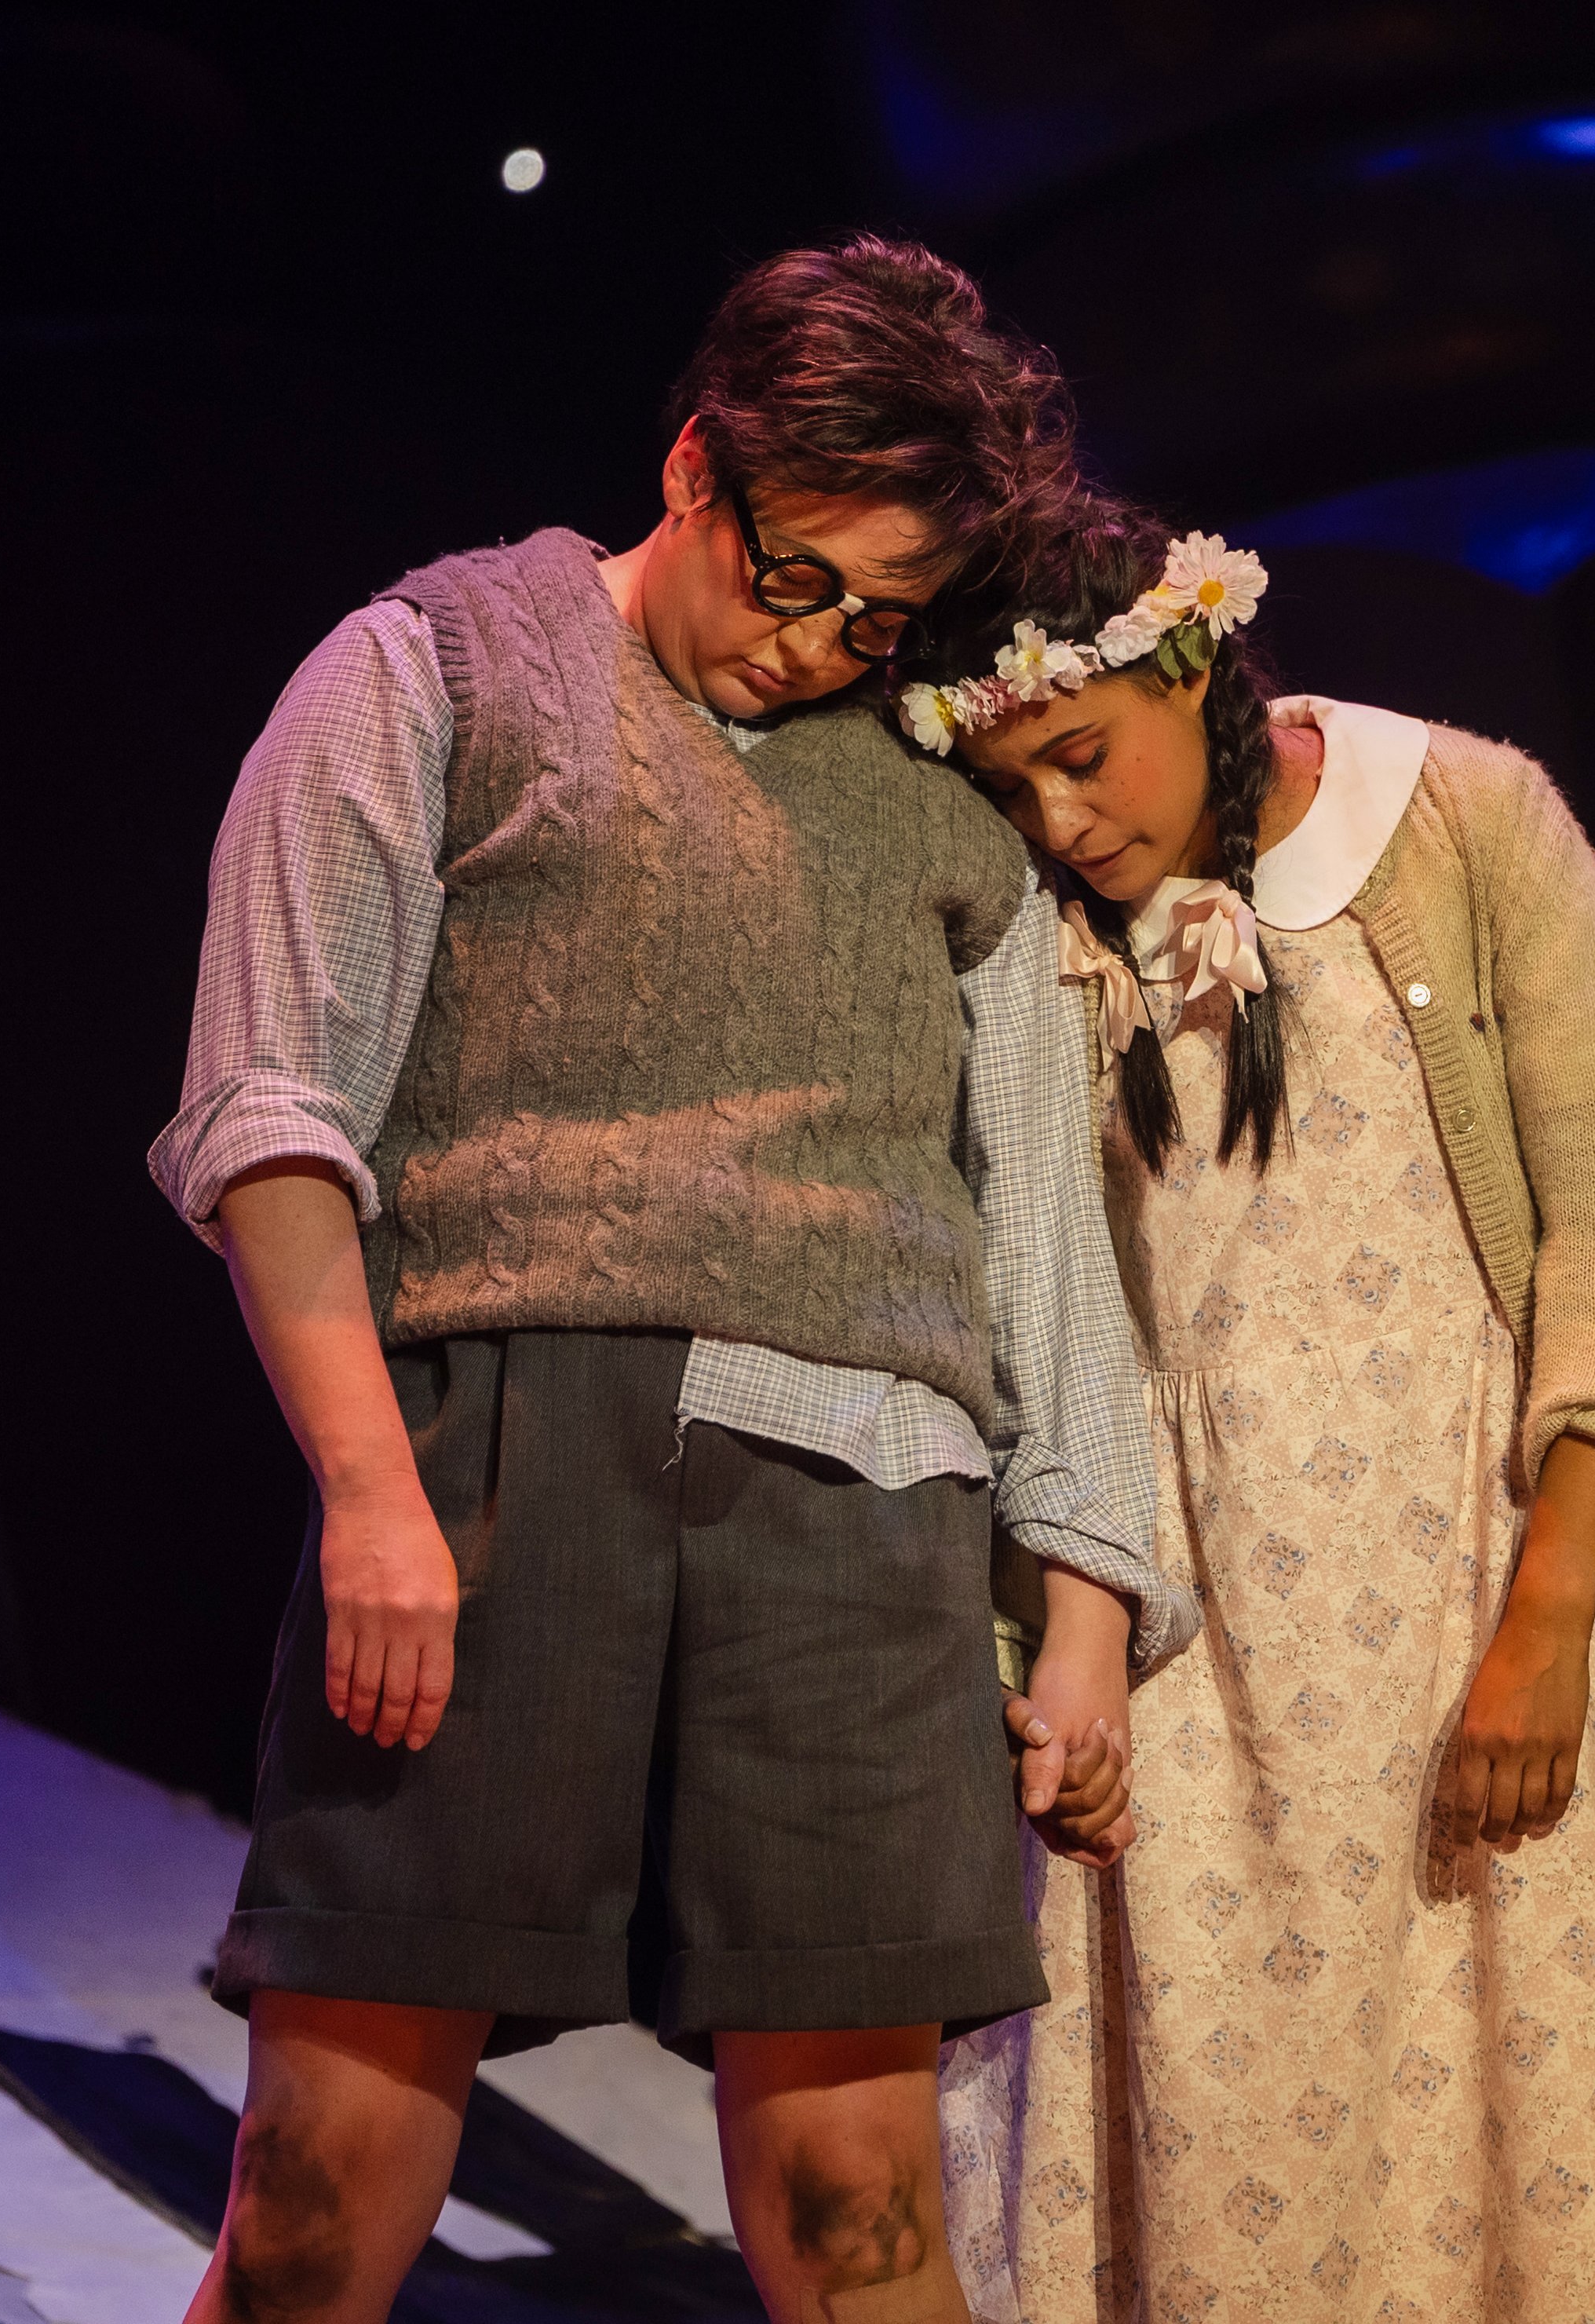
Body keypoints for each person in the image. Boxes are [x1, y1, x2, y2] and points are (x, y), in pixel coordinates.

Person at [144, 238, 1185, 2324]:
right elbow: (267, 1109)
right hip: (503, 1476)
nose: (825, 645)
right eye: (796, 578)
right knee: (323, 2191)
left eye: (883, 615)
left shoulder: (934, 794)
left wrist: (1082, 1594)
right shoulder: (435, 667)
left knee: (863, 2208)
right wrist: (369, 1492)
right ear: (698, 464)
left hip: (864, 1505)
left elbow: (1042, 1225)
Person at [903, 500, 1595, 2321]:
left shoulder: (1460, 816)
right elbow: (1048, 1302)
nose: (1062, 821)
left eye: (1079, 757)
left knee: (1526, 2145)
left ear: (1196, 662)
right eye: (1013, 794)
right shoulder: (1042, 937)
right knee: (1234, 2156)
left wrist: (1551, 1617)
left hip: (1483, 1586)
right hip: (1196, 1639)